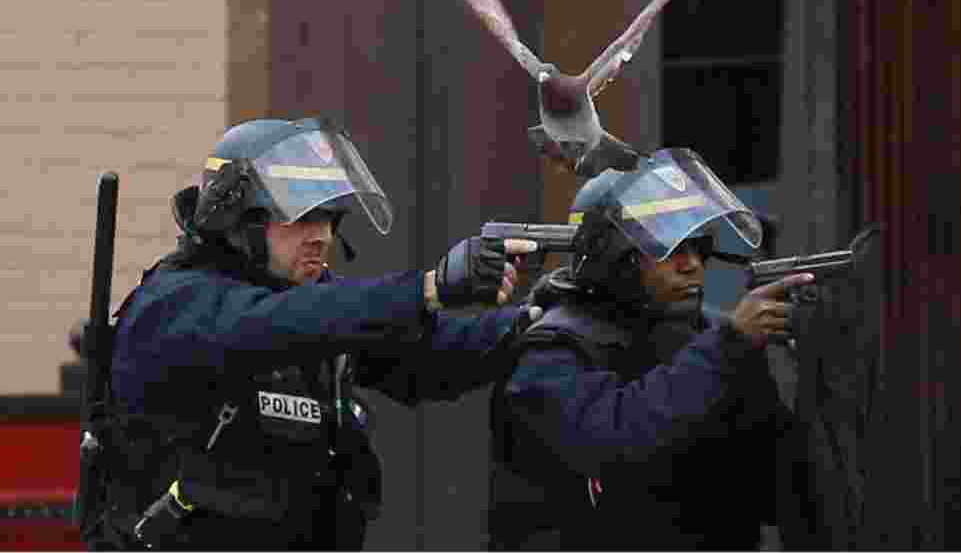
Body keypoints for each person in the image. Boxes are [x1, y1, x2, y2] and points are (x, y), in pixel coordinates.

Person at [80, 117, 540, 551]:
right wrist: (430, 287)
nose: (320, 236)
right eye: (299, 216)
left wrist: (537, 324)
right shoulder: (177, 306)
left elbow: (431, 356)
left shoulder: (314, 307)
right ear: (238, 218)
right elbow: (279, 324)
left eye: (330, 219)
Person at [488, 147, 814, 551]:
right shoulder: (552, 352)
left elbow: (780, 489)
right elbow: (618, 440)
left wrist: (823, 364)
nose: (691, 265)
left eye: (698, 248)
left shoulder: (709, 338)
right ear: (614, 258)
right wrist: (729, 347)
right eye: (670, 248)